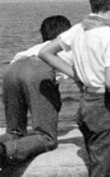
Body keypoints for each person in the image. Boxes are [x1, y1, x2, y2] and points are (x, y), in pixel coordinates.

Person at [39, 0, 110, 177]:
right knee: (106, 170)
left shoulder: (79, 29)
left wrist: (76, 75)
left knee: (97, 164)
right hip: (104, 105)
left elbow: (46, 52)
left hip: (86, 104)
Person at [0, 16, 73, 168]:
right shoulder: (66, 46)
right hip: (38, 70)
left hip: (12, 69)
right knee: (46, 137)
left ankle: (6, 144)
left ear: (42, 33)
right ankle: (5, 151)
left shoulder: (33, 48)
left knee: (15, 132)